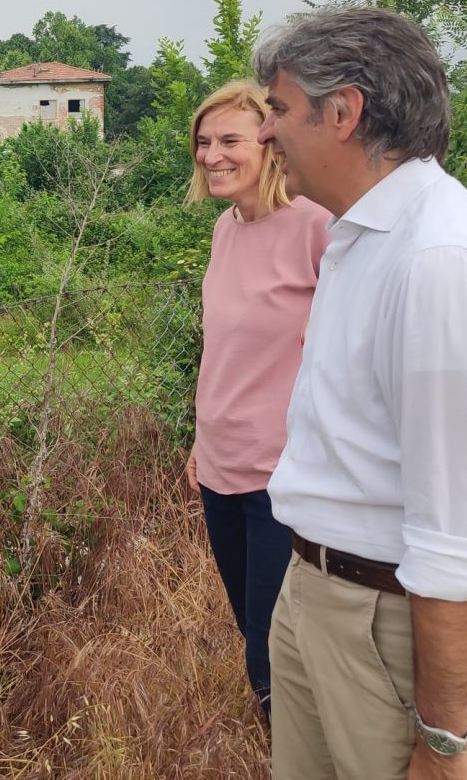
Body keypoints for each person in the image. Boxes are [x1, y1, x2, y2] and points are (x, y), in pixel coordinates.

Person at [253, 8, 467, 779]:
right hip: (324, 598)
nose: (265, 135)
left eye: (280, 109)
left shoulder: (440, 261)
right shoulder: (365, 239)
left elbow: (458, 533)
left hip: (387, 627)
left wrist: (445, 741)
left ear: (345, 112)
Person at [183, 79, 330, 724]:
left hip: (284, 477)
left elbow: (347, 356)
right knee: (252, 627)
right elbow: (222, 351)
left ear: (269, 146)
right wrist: (199, 441)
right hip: (220, 468)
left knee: (275, 655)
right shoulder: (226, 228)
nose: (213, 154)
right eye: (204, 141)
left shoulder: (317, 227)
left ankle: (304, 754)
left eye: (231, 140)